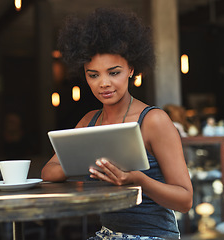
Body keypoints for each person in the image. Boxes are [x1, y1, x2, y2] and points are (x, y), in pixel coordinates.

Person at [41, 8, 193, 240]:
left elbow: (184, 200)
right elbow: (48, 172)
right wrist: (86, 160)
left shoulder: (153, 121)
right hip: (108, 235)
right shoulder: (89, 122)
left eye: (114, 72)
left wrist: (137, 179)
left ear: (131, 69)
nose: (104, 83)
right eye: (93, 75)